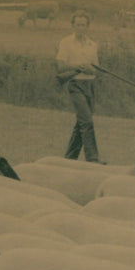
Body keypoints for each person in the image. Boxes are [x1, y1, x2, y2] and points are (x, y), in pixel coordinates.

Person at [56, 9, 101, 162]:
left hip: (90, 85)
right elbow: (61, 67)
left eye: (83, 25)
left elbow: (96, 69)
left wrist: (91, 69)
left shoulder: (92, 44)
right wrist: (79, 66)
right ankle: (93, 159)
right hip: (75, 84)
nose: (80, 28)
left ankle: (69, 158)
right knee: (87, 122)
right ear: (72, 25)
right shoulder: (66, 42)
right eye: (78, 25)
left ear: (87, 26)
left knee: (80, 123)